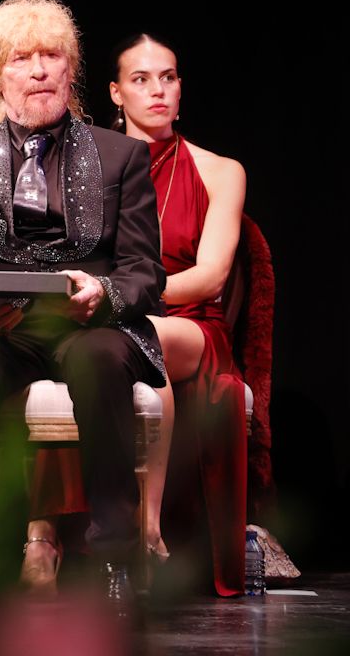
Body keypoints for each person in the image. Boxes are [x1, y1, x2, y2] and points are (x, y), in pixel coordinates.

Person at [0, 0, 167, 592]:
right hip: (2, 330)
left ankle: (113, 556)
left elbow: (142, 271)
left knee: (99, 358)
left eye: (52, 55)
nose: (39, 69)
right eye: (22, 57)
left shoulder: (122, 155)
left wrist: (101, 292)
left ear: (71, 69)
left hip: (92, 323)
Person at [112, 33, 247, 595]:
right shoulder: (90, 167)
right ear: (117, 94)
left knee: (149, 338)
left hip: (189, 324)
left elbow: (211, 275)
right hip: (107, 318)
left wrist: (126, 295)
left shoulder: (219, 170)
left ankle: (148, 529)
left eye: (166, 77)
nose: (157, 90)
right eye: (141, 80)